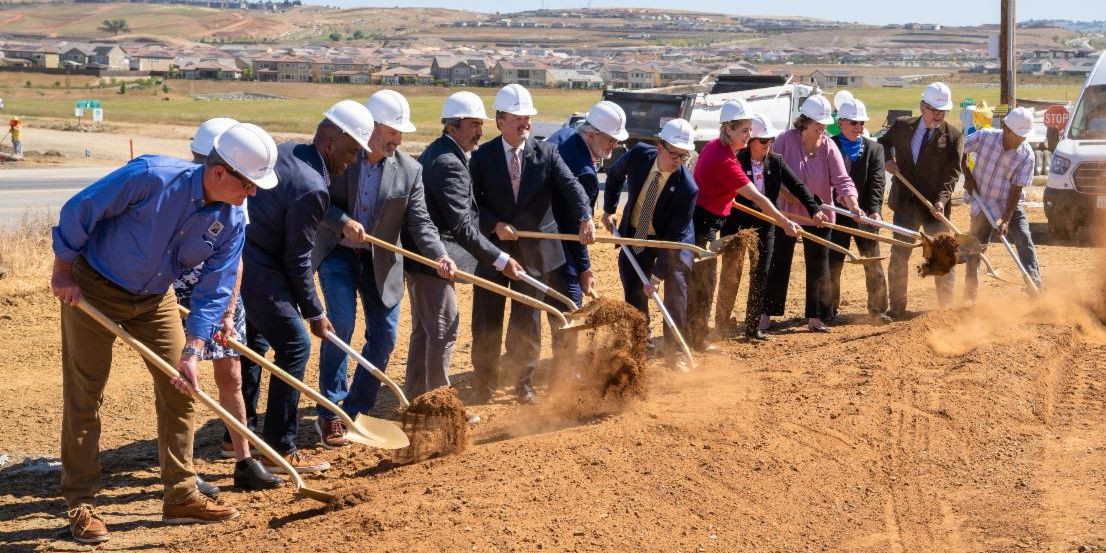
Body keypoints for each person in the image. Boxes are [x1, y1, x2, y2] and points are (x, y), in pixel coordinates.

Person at [50, 122, 280, 543]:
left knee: (181, 386)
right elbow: (81, 210)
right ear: (219, 173)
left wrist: (193, 350)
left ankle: (181, 495)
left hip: (155, 298)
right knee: (86, 394)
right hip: (94, 288)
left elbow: (216, 286)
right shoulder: (151, 176)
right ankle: (81, 503)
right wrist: (63, 269)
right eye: (248, 184)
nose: (252, 195)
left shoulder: (231, 221)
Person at [311, 90, 457, 447]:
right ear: (371, 126)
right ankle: (331, 413)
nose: (397, 139)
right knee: (340, 326)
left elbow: (421, 222)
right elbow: (318, 199)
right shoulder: (340, 157)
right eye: (391, 130)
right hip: (338, 255)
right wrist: (343, 221)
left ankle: (357, 410)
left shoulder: (410, 170)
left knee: (385, 337)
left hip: (383, 262)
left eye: (400, 133)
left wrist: (439, 255)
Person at [239, 100, 373, 473]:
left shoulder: (288, 151)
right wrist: (314, 312)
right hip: (258, 265)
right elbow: (298, 258)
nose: (353, 161)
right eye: (351, 151)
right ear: (330, 143)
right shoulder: (314, 187)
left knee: (254, 344)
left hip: (244, 256)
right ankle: (279, 448)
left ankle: (238, 433)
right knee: (295, 345)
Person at [173, 117, 282, 494]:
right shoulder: (181, 191)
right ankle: (182, 471)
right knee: (179, 381)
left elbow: (234, 257)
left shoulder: (235, 196)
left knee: (232, 375)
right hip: (174, 295)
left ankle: (244, 460)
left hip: (219, 293)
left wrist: (227, 308)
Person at [470, 83, 594, 404]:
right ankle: (484, 381)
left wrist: (585, 216)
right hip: (493, 251)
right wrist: (494, 225)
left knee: (528, 319)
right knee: (487, 317)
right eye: (518, 118)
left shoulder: (547, 154)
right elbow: (471, 203)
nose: (525, 124)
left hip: (536, 254)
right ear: (500, 120)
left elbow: (572, 188)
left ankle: (522, 381)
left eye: (528, 118)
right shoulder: (481, 158)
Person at [404, 91, 525, 402]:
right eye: (472, 124)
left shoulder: (440, 152)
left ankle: (418, 398)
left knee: (425, 331)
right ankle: (439, 403)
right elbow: (462, 226)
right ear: (452, 126)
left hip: (422, 258)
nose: (480, 132)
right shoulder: (449, 163)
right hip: (435, 259)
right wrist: (500, 259)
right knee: (444, 330)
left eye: (480, 124)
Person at [688, 100, 800, 348]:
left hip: (706, 217)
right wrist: (783, 221)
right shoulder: (726, 160)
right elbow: (757, 197)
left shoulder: (715, 147)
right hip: (703, 222)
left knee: (702, 280)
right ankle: (696, 339)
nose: (749, 136)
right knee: (705, 282)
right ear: (728, 128)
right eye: (745, 131)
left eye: (751, 130)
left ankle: (694, 336)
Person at [601, 118, 699, 370]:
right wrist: (609, 209)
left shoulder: (687, 187)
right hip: (638, 233)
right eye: (673, 153)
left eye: (683, 155)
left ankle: (674, 351)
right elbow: (613, 175)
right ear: (659, 146)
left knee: (675, 285)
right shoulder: (638, 155)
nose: (678, 160)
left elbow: (674, 237)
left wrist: (656, 276)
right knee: (633, 282)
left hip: (673, 240)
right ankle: (641, 341)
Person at [766, 95, 861, 333]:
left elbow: (842, 180)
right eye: (818, 123)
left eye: (824, 124)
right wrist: (783, 192)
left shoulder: (828, 146)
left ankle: (816, 317)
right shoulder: (784, 141)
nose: (822, 128)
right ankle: (766, 314)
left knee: (819, 265)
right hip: (788, 214)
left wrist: (853, 204)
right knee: (779, 263)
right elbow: (770, 172)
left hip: (820, 215)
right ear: (804, 121)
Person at [544, 100, 627, 367]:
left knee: (537, 306)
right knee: (570, 303)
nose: (613, 147)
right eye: (610, 141)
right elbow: (577, 229)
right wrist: (584, 269)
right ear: (591, 135)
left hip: (536, 235)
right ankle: (565, 371)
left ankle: (526, 366)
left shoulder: (563, 135)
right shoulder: (585, 174)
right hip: (558, 245)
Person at [719, 114, 818, 340]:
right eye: (763, 141)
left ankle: (752, 326)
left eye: (771, 140)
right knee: (731, 274)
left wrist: (814, 209)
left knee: (761, 274)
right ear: (751, 141)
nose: (768, 145)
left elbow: (798, 185)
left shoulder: (776, 161)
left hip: (766, 225)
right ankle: (722, 324)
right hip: (736, 225)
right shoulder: (735, 161)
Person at [878, 81, 964, 318]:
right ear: (922, 106)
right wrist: (887, 160)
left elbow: (952, 173)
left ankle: (945, 307)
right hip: (906, 202)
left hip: (934, 206)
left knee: (943, 254)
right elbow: (882, 144)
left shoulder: (953, 136)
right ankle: (896, 308)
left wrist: (941, 200)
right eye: (935, 110)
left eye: (943, 111)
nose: (939, 116)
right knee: (900, 253)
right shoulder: (902, 126)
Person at [962, 106, 1042, 300]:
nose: (1021, 140)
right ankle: (970, 294)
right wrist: (968, 175)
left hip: (1010, 204)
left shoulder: (1026, 156)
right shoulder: (984, 137)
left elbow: (1016, 190)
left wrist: (1005, 219)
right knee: (976, 246)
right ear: (1006, 128)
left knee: (1023, 238)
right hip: (981, 202)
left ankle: (1035, 286)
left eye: (1024, 136)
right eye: (1018, 135)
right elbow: (958, 151)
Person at [827, 98, 891, 324]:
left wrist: (874, 211)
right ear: (841, 122)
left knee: (873, 261)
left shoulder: (875, 149)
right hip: (835, 215)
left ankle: (878, 309)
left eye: (861, 123)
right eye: (853, 122)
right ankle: (828, 309)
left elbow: (877, 183)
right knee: (832, 261)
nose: (858, 127)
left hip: (864, 215)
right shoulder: (828, 145)